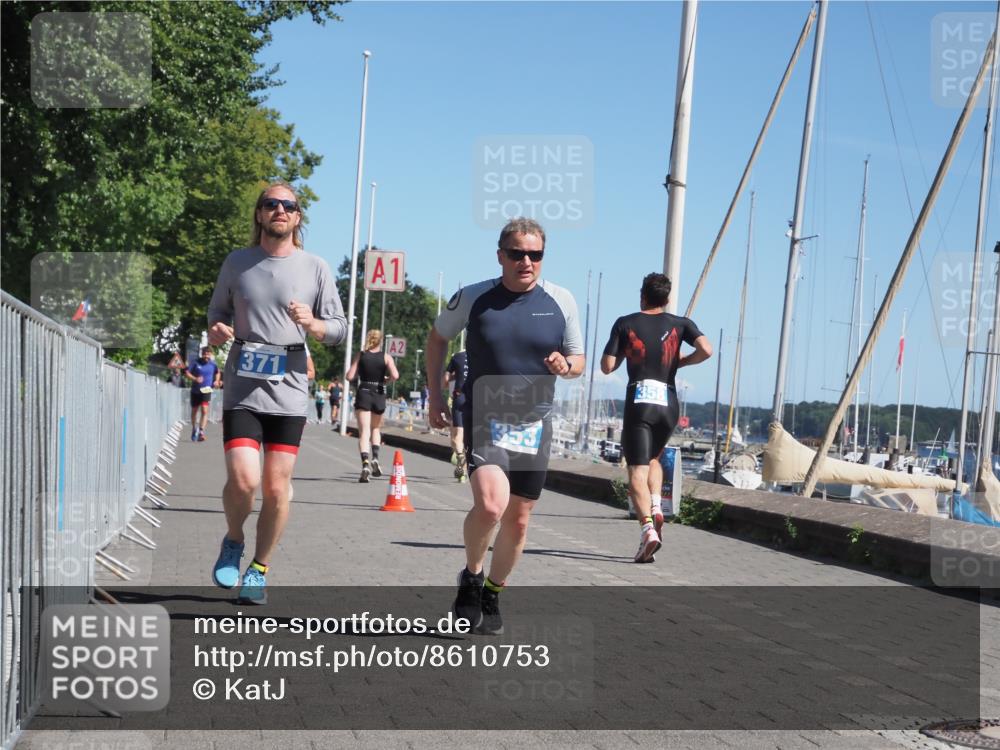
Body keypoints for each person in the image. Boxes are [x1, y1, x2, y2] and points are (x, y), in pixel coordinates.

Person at [426, 217, 584, 635]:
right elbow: (437, 337)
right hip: (486, 416)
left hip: (535, 423)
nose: (526, 261)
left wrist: (565, 366)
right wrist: (436, 397)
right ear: (501, 256)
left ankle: (493, 592)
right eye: (517, 254)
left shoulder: (561, 300)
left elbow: (578, 361)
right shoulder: (475, 297)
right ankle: (472, 576)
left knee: (518, 519)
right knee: (492, 505)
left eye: (535, 254)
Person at [206, 181, 347, 604]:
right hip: (244, 387)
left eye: (289, 205)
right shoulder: (238, 263)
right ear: (259, 214)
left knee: (275, 488)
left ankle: (259, 568)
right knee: (243, 479)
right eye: (272, 204)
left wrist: (315, 325)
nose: (280, 210)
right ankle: (234, 539)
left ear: (298, 217)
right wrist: (216, 331)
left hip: (288, 391)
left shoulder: (315, 267)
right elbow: (217, 312)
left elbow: (338, 329)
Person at [600, 272, 712, 563]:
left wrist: (625, 350)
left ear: (642, 296)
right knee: (654, 459)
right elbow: (707, 350)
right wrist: (681, 362)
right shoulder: (681, 323)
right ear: (667, 299)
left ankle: (647, 528)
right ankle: (655, 505)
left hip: (640, 400)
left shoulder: (626, 323)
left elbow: (607, 366)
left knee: (636, 471)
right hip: (669, 400)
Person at [346, 329, 399, 482]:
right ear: (381, 341)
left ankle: (365, 464)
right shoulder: (386, 357)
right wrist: (386, 380)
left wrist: (358, 374)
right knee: (375, 428)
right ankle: (375, 457)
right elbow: (395, 375)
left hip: (364, 392)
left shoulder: (361, 355)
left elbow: (349, 376)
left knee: (364, 433)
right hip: (379, 393)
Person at [184, 346, 220, 442]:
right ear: (202, 353)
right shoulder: (196, 363)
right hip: (196, 390)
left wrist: (216, 381)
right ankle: (194, 428)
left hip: (206, 390)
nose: (206, 355)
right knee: (195, 411)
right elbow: (187, 372)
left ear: (211, 354)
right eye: (204, 353)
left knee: (204, 410)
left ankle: (201, 431)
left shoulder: (213, 364)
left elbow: (217, 372)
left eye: (208, 353)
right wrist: (195, 379)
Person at [444, 349, 469, 480]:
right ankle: (464, 470)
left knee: (457, 436)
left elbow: (446, 380)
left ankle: (460, 456)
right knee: (470, 436)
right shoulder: (481, 355)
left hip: (459, 397)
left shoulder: (456, 357)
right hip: (476, 398)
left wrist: (455, 376)